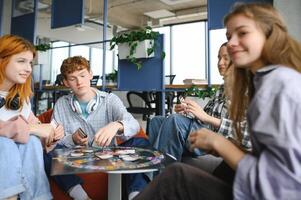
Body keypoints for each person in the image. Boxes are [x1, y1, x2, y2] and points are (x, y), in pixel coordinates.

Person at [134, 2, 301, 200]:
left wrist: (221, 143)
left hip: (260, 191)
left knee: (176, 175)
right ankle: (149, 182)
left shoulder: (281, 85)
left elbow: (280, 182)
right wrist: (194, 114)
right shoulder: (260, 82)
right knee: (159, 121)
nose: (231, 44)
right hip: (242, 179)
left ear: (269, 35)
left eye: (243, 33)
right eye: (229, 36)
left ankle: (150, 183)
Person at [44, 56, 150, 200]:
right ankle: (81, 196)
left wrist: (116, 125)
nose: (79, 82)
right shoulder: (61, 104)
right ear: (66, 82)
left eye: (82, 75)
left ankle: (136, 196)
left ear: (90, 74)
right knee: (45, 152)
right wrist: (72, 139)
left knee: (140, 144)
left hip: (108, 154)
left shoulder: (109, 100)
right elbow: (53, 140)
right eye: (73, 78)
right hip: (75, 158)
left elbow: (134, 125)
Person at [148, 42, 251, 165]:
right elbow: (205, 117)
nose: (219, 63)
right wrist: (190, 111)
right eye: (219, 58)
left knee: (175, 121)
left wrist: (205, 117)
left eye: (225, 58)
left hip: (220, 137)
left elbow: (244, 131)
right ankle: (153, 172)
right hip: (206, 128)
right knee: (156, 121)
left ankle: (161, 177)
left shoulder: (246, 90)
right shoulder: (222, 88)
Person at [0, 35, 63, 200]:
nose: (28, 69)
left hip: (16, 168)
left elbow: (36, 132)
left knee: (32, 141)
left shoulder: (22, 98)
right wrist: (32, 128)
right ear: (2, 60)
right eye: (21, 61)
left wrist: (51, 135)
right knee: (4, 142)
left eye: (30, 63)